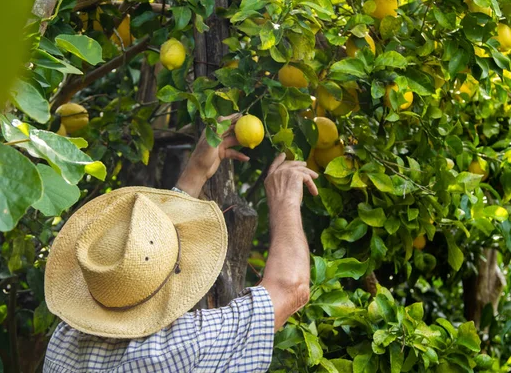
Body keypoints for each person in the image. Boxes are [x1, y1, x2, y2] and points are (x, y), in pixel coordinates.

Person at [43, 115, 319, 372]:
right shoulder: (179, 347)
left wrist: (196, 172)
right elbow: (289, 289)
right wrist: (285, 200)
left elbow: (145, 248)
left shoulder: (65, 339)